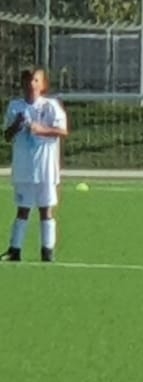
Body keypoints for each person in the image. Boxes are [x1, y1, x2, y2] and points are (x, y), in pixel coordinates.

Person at [4, 68, 69, 263]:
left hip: (46, 168)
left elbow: (62, 131)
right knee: (23, 209)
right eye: (27, 81)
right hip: (24, 168)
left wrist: (41, 129)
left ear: (42, 84)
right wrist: (17, 124)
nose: (31, 84)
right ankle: (15, 249)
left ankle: (47, 251)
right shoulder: (15, 106)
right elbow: (7, 136)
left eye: (35, 80)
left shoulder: (51, 106)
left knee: (45, 209)